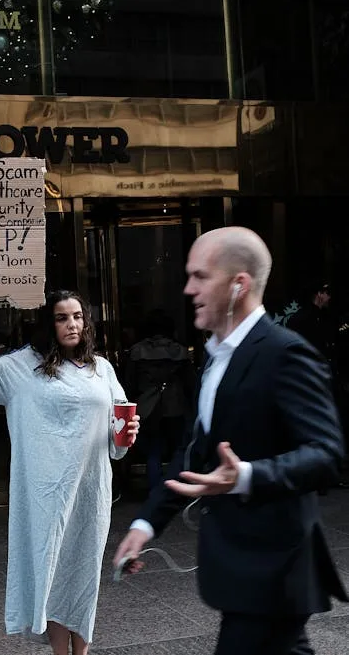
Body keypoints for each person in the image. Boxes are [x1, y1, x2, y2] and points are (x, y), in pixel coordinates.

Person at [113, 227, 348, 655]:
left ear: (238, 284)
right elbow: (193, 453)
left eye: (201, 276)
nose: (189, 288)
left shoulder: (285, 352)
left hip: (275, 567)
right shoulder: (216, 357)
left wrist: (246, 476)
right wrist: (145, 524)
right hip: (242, 570)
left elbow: (327, 454)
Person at [0, 288, 140, 655]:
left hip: (90, 492)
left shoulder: (102, 369)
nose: (72, 324)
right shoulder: (24, 366)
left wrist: (128, 434)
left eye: (77, 317)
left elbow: (119, 425)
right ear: (47, 324)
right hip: (45, 494)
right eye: (62, 317)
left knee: (84, 574)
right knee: (52, 572)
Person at [124, 310, 194, 491]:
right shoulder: (180, 351)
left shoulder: (137, 351)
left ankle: (155, 490)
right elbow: (190, 384)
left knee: (153, 451)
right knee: (178, 449)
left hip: (146, 407)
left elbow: (129, 383)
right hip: (175, 406)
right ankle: (177, 489)